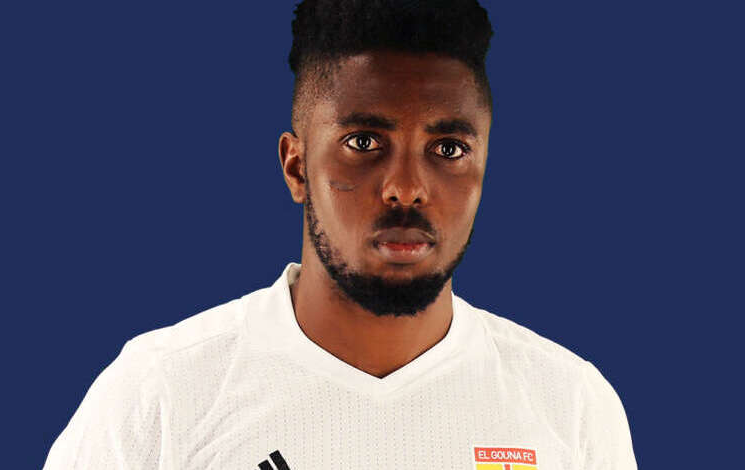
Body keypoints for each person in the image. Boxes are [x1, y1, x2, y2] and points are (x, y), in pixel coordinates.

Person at [44, 1, 637, 468]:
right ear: (296, 167)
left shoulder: (569, 405)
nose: (407, 188)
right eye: (364, 142)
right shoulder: (160, 395)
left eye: (448, 149)